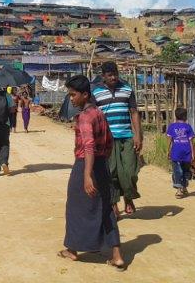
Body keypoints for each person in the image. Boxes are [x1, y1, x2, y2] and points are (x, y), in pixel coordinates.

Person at [59, 75, 125, 270]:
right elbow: (110, 141)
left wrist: (87, 175)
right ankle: (117, 254)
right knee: (105, 208)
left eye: (73, 95)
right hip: (101, 164)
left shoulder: (86, 118)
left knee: (75, 206)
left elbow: (88, 147)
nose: (71, 99)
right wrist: (102, 164)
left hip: (85, 165)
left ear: (85, 95)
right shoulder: (99, 113)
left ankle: (72, 249)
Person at [92, 62, 143, 215]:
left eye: (115, 74)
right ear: (103, 77)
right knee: (111, 172)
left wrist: (138, 136)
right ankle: (113, 202)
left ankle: (128, 197)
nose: (113, 77)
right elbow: (94, 116)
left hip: (127, 136)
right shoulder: (96, 92)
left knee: (131, 170)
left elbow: (134, 112)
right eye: (110, 75)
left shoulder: (127, 89)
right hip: (107, 139)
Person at [166, 107, 195, 198]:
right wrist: (193, 153)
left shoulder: (172, 126)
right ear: (185, 117)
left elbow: (169, 140)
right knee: (185, 170)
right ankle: (184, 187)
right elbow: (191, 142)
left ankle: (179, 190)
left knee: (177, 171)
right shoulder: (188, 127)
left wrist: (168, 150)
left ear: (176, 116)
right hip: (187, 152)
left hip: (176, 152)